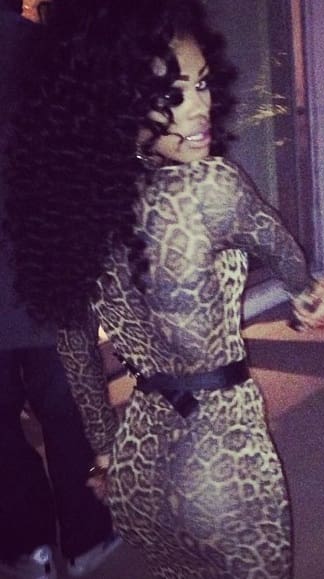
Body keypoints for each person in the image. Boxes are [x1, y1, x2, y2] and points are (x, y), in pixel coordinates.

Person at [4, 0, 324, 577]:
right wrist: (308, 292)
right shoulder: (212, 188)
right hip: (223, 461)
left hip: (139, 460)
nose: (200, 107)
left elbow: (76, 349)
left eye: (201, 84)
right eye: (171, 95)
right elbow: (284, 252)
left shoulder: (82, 209)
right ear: (118, 102)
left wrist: (106, 449)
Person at [0, 1, 121, 578]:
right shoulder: (50, 55)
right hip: (50, 267)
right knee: (67, 412)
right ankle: (85, 536)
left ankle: (30, 545)